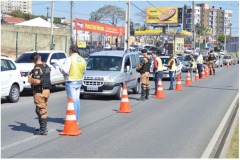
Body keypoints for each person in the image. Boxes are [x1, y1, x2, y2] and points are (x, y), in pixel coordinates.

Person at [59, 44, 86, 124]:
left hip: (71, 82)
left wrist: (61, 69)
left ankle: (73, 120)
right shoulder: (82, 59)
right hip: (78, 81)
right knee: (77, 101)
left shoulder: (70, 59)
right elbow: (84, 71)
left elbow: (65, 71)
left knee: (72, 102)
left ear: (71, 50)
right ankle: (76, 119)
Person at [28, 52, 51, 135]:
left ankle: (43, 129)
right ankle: (43, 128)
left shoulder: (37, 68)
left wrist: (30, 78)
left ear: (32, 60)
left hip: (39, 91)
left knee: (40, 110)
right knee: (43, 109)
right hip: (47, 91)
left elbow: (37, 81)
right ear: (40, 57)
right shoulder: (46, 66)